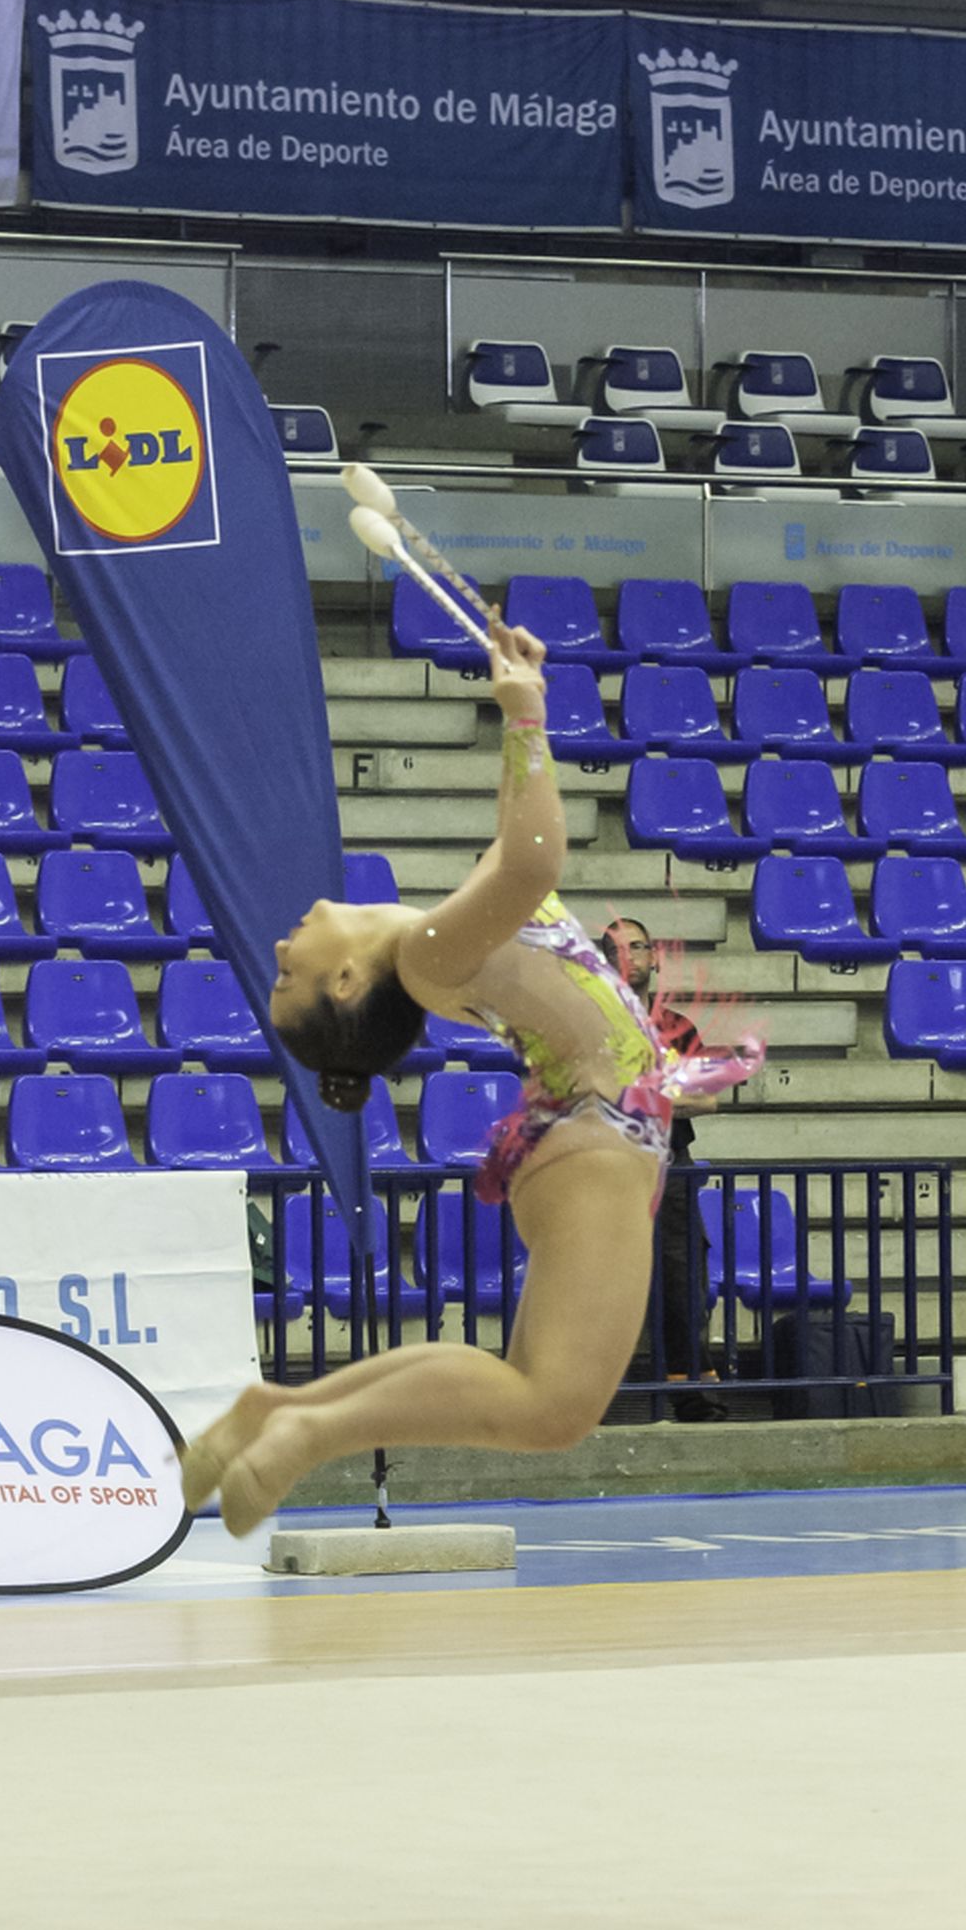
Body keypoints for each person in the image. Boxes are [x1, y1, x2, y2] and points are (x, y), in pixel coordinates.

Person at [179, 611, 763, 1535]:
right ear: (345, 982)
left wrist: (519, 697)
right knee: (552, 1410)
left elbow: (513, 841)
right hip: (596, 1141)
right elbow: (533, 857)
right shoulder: (427, 957)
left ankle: (280, 1410)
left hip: (589, 1137)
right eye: (289, 975)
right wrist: (523, 714)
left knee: (532, 1390)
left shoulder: (446, 941)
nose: (280, 950)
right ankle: (306, 1438)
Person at [599, 916, 728, 1423]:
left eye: (638, 946)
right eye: (617, 948)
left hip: (670, 1171)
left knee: (682, 1286)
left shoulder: (677, 1028)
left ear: (654, 958)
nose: (629, 956)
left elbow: (707, 1100)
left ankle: (694, 1397)